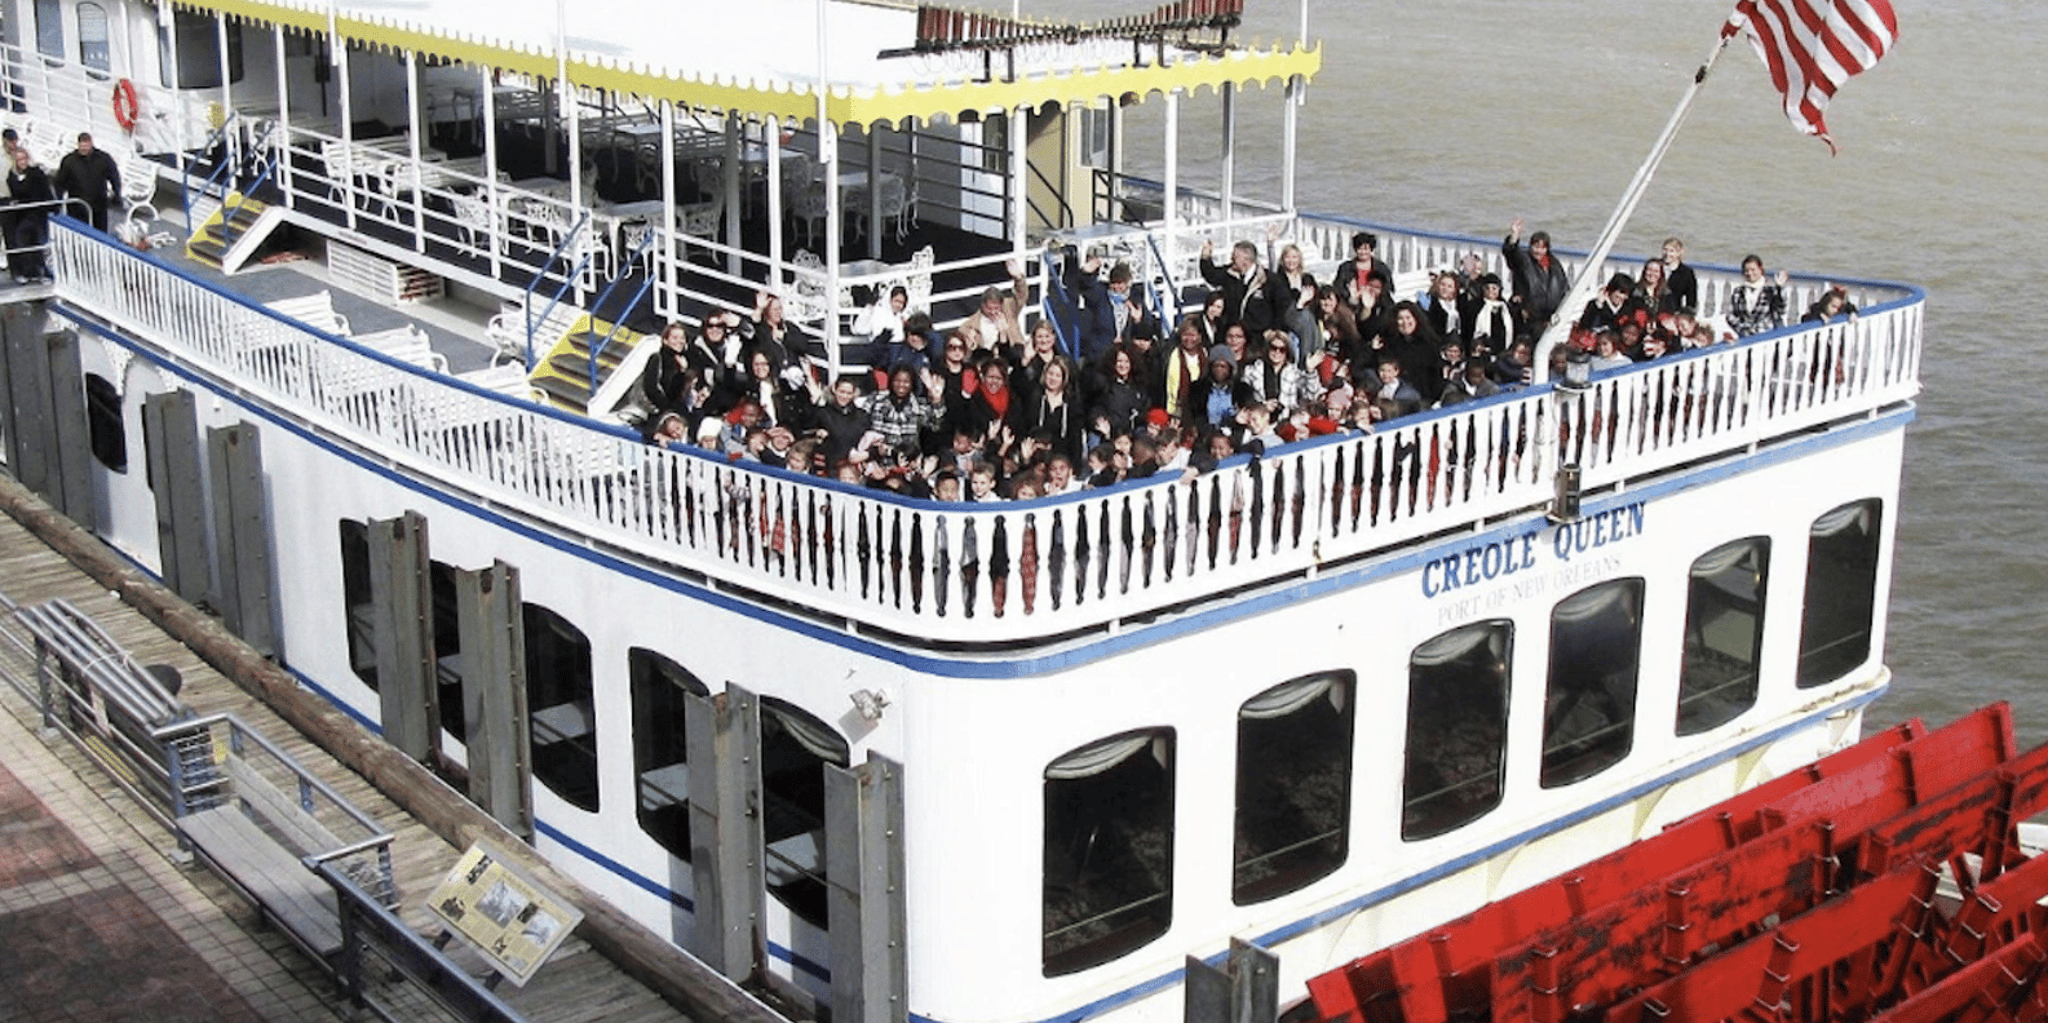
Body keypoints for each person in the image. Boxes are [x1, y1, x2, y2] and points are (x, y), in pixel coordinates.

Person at [1069, 254, 1157, 362]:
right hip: (1101, 354)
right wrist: (1086, 273)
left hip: (1125, 356)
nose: (1116, 287)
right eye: (1113, 282)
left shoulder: (1135, 300)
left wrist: (1138, 320)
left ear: (1128, 282)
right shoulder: (1101, 296)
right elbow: (1085, 286)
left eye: (1120, 283)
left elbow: (1148, 329)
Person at [1501, 217, 1571, 334]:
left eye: (1542, 247)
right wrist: (1514, 236)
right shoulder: (1524, 261)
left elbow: (1564, 286)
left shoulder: (1554, 264)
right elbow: (1511, 253)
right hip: (1528, 319)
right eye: (1536, 246)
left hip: (1550, 320)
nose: (1538, 251)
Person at [1198, 238, 1272, 335]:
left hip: (1258, 333)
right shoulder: (1229, 273)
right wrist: (1205, 257)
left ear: (1246, 259)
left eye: (1235, 256)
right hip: (1232, 333)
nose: (1231, 258)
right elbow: (1211, 275)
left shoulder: (1266, 279)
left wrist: (1273, 330)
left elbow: (1279, 305)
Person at [53, 132, 121, 233]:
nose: (84, 150)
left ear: (91, 144)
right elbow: (60, 182)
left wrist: (117, 194)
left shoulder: (104, 159)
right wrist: (58, 201)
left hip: (98, 203)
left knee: (100, 232)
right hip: (77, 204)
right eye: (82, 147)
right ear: (78, 145)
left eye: (86, 147)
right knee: (77, 232)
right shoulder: (69, 161)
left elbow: (114, 177)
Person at [640, 321, 706, 422]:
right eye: (675, 338)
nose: (680, 341)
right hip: (662, 415)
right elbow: (652, 388)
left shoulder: (687, 361)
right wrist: (669, 410)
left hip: (681, 414)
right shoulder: (658, 358)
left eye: (682, 338)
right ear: (665, 340)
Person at [6, 147, 55, 282]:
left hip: (38, 213)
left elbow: (38, 192)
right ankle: (30, 272)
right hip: (24, 214)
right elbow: (15, 191)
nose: (22, 162)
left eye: (23, 159)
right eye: (19, 160)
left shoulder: (36, 173)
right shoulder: (12, 176)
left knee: (40, 241)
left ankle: (45, 272)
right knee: (22, 240)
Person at [960, 260, 1028, 354]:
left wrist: (1019, 278)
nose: (992, 312)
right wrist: (971, 345)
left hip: (1014, 355)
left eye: (996, 308)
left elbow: (1021, 296)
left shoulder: (1009, 309)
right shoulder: (970, 325)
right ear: (982, 305)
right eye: (989, 308)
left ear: (1001, 304)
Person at [1244, 329, 1316, 417]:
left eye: (1282, 349)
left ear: (1287, 352)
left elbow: (1311, 395)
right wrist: (1263, 406)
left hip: (1285, 420)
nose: (1277, 352)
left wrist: (1310, 371)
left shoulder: (1294, 373)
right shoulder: (1252, 371)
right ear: (1268, 348)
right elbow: (1244, 399)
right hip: (1259, 418)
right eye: (1273, 347)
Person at [1332, 230, 1394, 318]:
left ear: (1371, 249)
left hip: (1376, 303)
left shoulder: (1381, 268)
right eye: (1359, 249)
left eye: (1365, 249)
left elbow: (1388, 287)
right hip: (1352, 303)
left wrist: (1373, 294)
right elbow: (1338, 287)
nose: (1362, 252)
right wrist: (1351, 296)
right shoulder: (1346, 267)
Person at [1725, 254, 1789, 338]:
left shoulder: (1769, 291)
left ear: (1761, 270)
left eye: (1753, 270)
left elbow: (1781, 308)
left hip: (1768, 336)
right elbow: (1730, 316)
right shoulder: (1738, 292)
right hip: (1746, 337)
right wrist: (1743, 329)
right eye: (1746, 270)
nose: (1749, 273)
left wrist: (1780, 288)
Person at [1660, 236, 1700, 315]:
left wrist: (1687, 315)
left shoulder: (1686, 273)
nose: (1667, 254)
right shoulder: (1656, 266)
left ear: (1679, 253)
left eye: (1671, 251)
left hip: (1674, 312)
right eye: (1665, 250)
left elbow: (1691, 298)